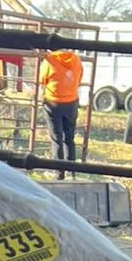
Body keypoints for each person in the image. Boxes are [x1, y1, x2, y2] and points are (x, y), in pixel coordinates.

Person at [39, 45, 84, 178]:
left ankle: (59, 173)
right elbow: (79, 78)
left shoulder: (49, 60)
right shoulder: (76, 59)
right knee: (69, 137)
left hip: (53, 102)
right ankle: (72, 170)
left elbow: (42, 80)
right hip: (71, 102)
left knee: (56, 138)